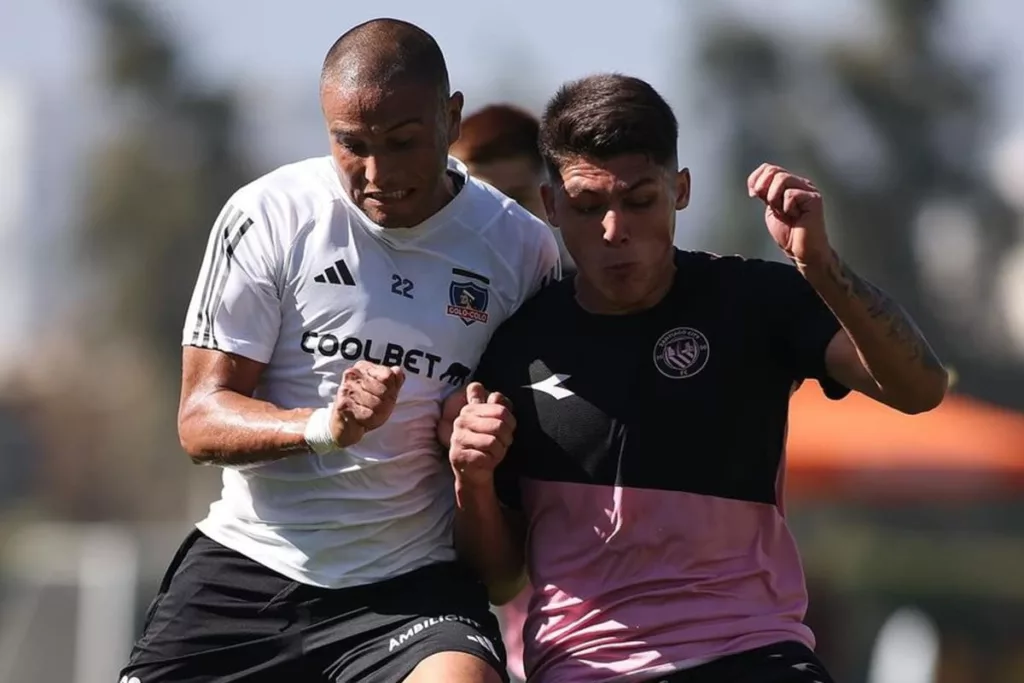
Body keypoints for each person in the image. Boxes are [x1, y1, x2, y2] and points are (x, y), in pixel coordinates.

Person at [442, 74, 948, 683]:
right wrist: (471, 478)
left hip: (753, 654)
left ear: (680, 190)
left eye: (639, 200)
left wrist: (823, 267)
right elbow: (500, 578)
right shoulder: (513, 346)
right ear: (550, 205)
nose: (613, 230)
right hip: (583, 669)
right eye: (586, 206)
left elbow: (920, 389)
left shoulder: (756, 300)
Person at [119, 18, 559, 683]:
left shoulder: (522, 249)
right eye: (351, 145)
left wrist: (475, 443)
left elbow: (513, 533)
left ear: (451, 117)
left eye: (403, 142)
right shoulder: (269, 214)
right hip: (252, 566)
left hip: (409, 592)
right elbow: (199, 418)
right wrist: (327, 426)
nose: (376, 173)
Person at [450, 104, 576, 279]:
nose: (501, 220)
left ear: (552, 199)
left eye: (518, 202)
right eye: (481, 202)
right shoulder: (417, 287)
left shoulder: (591, 298)